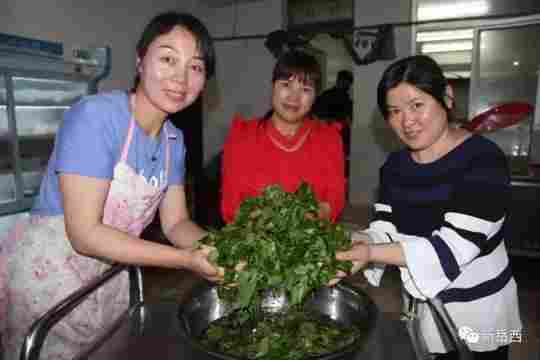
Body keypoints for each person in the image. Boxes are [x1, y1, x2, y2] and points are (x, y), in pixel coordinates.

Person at [0, 11, 222, 359]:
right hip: (49, 276)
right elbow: (85, 233)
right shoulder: (96, 117)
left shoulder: (173, 141)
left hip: (106, 278)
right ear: (140, 60)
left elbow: (176, 223)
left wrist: (225, 250)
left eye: (195, 67)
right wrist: (186, 260)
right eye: (167, 58)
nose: (180, 77)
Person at [335, 55, 521, 359]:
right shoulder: (394, 167)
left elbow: (454, 247)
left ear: (446, 97)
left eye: (416, 105)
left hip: (480, 310)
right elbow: (386, 228)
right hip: (427, 308)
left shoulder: (484, 161)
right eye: (394, 111)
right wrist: (362, 241)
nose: (406, 121)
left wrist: (370, 253)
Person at [221, 50, 346, 223]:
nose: (294, 97)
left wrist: (306, 220)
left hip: (312, 241)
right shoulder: (242, 138)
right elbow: (232, 206)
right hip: (254, 243)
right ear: (273, 86)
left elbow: (335, 199)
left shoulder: (329, 139)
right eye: (286, 85)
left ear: (315, 96)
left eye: (305, 89)